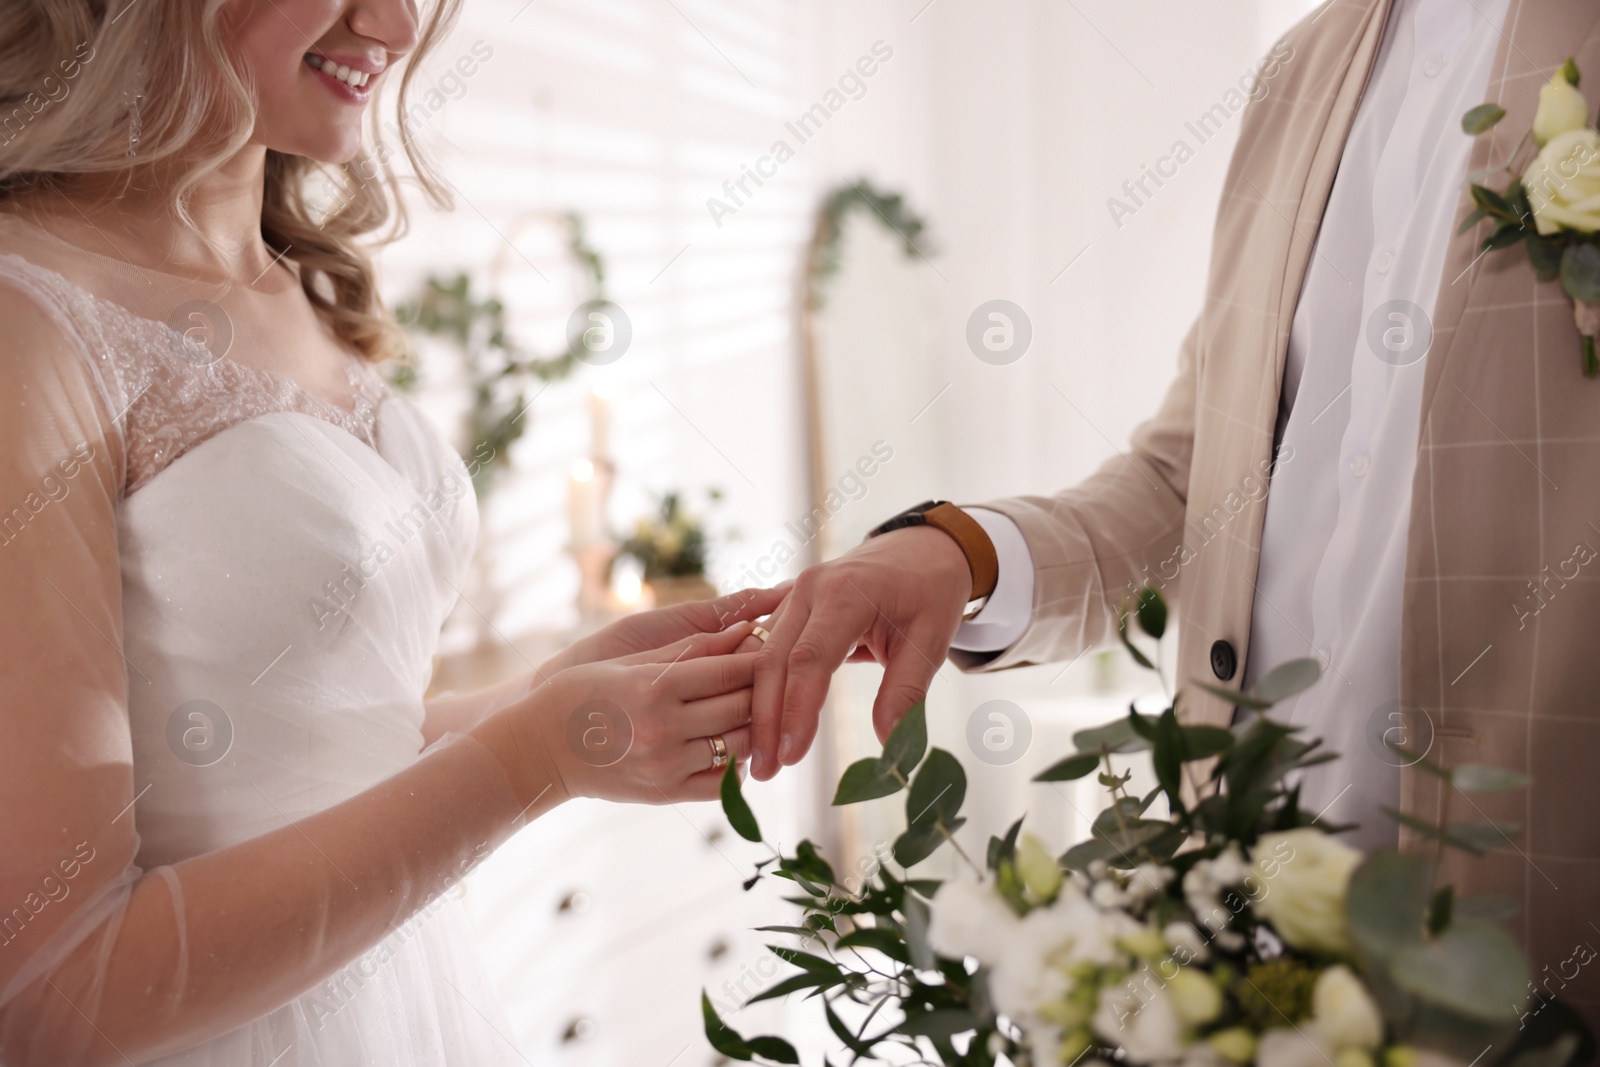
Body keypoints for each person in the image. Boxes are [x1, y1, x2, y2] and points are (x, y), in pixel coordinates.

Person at [745, 0, 1600, 1025]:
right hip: (1238, 951)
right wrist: (958, 555)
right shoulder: (1300, 68)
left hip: (1531, 943)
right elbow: (1191, 481)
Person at [0, 1, 777, 1063]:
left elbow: (298, 752)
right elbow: (51, 994)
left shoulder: (284, 279)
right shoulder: (26, 321)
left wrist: (542, 700)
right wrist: (533, 753)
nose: (396, 25)